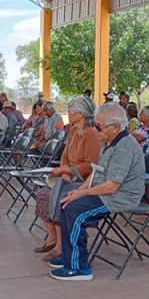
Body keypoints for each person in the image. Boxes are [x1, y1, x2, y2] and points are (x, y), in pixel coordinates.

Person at [49, 103, 147, 281]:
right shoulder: (107, 140)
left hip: (119, 197)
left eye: (98, 126)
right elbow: (96, 172)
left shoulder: (124, 147)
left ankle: (79, 268)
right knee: (67, 201)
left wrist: (82, 194)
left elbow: (112, 186)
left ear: (115, 127)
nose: (94, 130)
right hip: (106, 192)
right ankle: (69, 255)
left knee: (74, 209)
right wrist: (79, 190)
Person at [33, 96, 100, 262]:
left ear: (82, 114)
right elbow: (64, 156)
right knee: (42, 193)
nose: (68, 113)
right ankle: (52, 238)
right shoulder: (73, 131)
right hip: (69, 176)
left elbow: (91, 165)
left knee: (57, 197)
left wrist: (70, 171)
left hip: (83, 181)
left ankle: (61, 246)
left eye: (71, 110)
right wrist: (64, 171)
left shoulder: (91, 134)